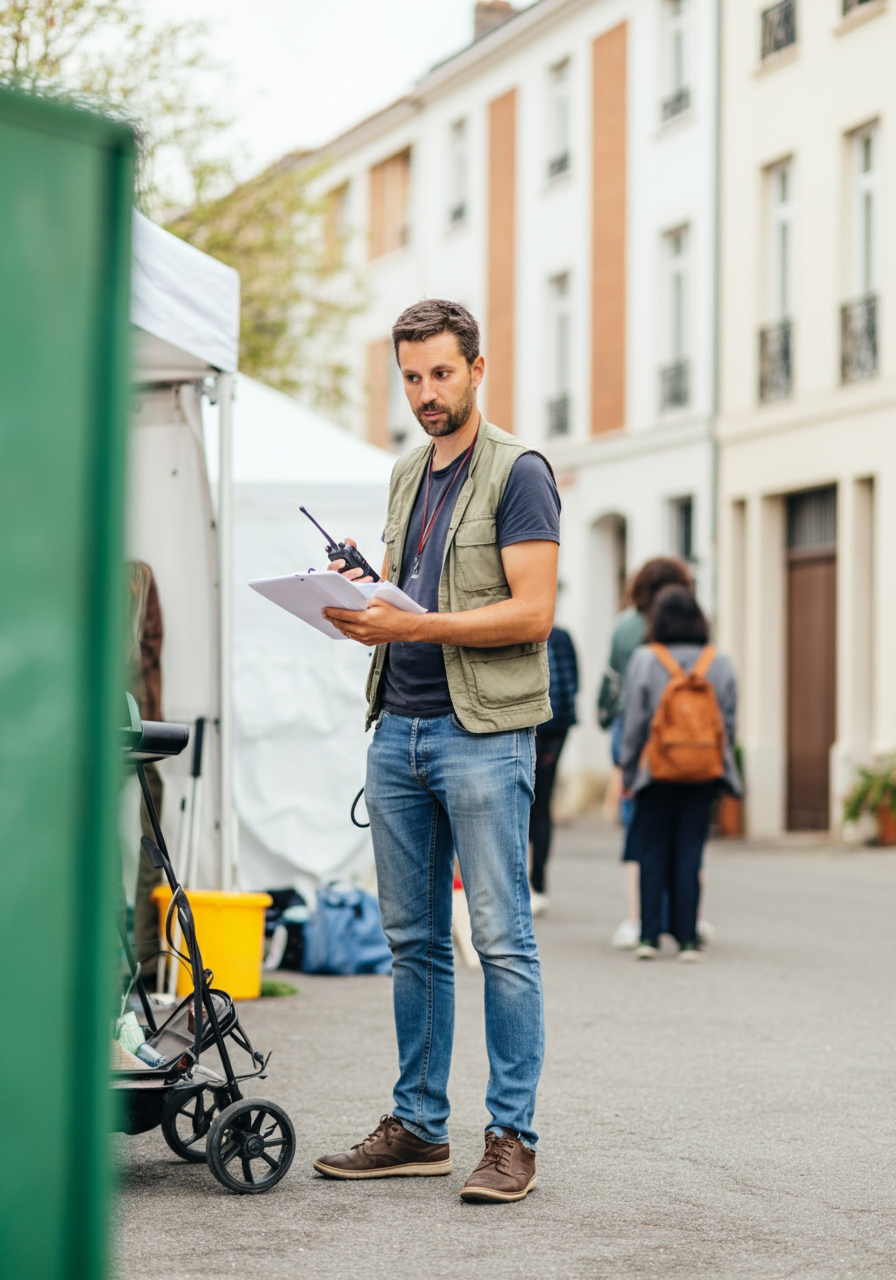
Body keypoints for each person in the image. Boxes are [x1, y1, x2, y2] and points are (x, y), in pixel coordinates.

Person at [315, 299, 560, 1204]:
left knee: (502, 942)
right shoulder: (405, 474)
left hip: (483, 735)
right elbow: (410, 599)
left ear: (478, 369)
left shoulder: (520, 472)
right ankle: (418, 1126)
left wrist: (413, 627)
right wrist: (363, 612)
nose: (426, 393)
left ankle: (511, 1139)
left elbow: (532, 612)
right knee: (413, 942)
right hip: (400, 730)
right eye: (412, 376)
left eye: (441, 373)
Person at [618, 586, 742, 961]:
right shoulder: (718, 662)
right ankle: (688, 938)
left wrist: (627, 771)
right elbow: (729, 723)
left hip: (656, 771)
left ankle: (649, 936)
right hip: (703, 772)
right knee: (691, 850)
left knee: (652, 849)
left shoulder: (644, 659)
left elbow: (634, 722)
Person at [597, 558, 694, 949]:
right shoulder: (694, 626)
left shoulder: (625, 628)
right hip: (686, 734)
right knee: (687, 832)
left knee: (637, 828)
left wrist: (609, 726)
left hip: (636, 735)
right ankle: (689, 919)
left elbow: (613, 687)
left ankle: (638, 920)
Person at [529, 623, 578, 915]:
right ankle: (540, 882)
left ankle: (525, 883)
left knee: (519, 802)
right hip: (556, 729)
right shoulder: (562, 636)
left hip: (526, 725)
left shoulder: (520, 631)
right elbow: (575, 682)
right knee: (543, 805)